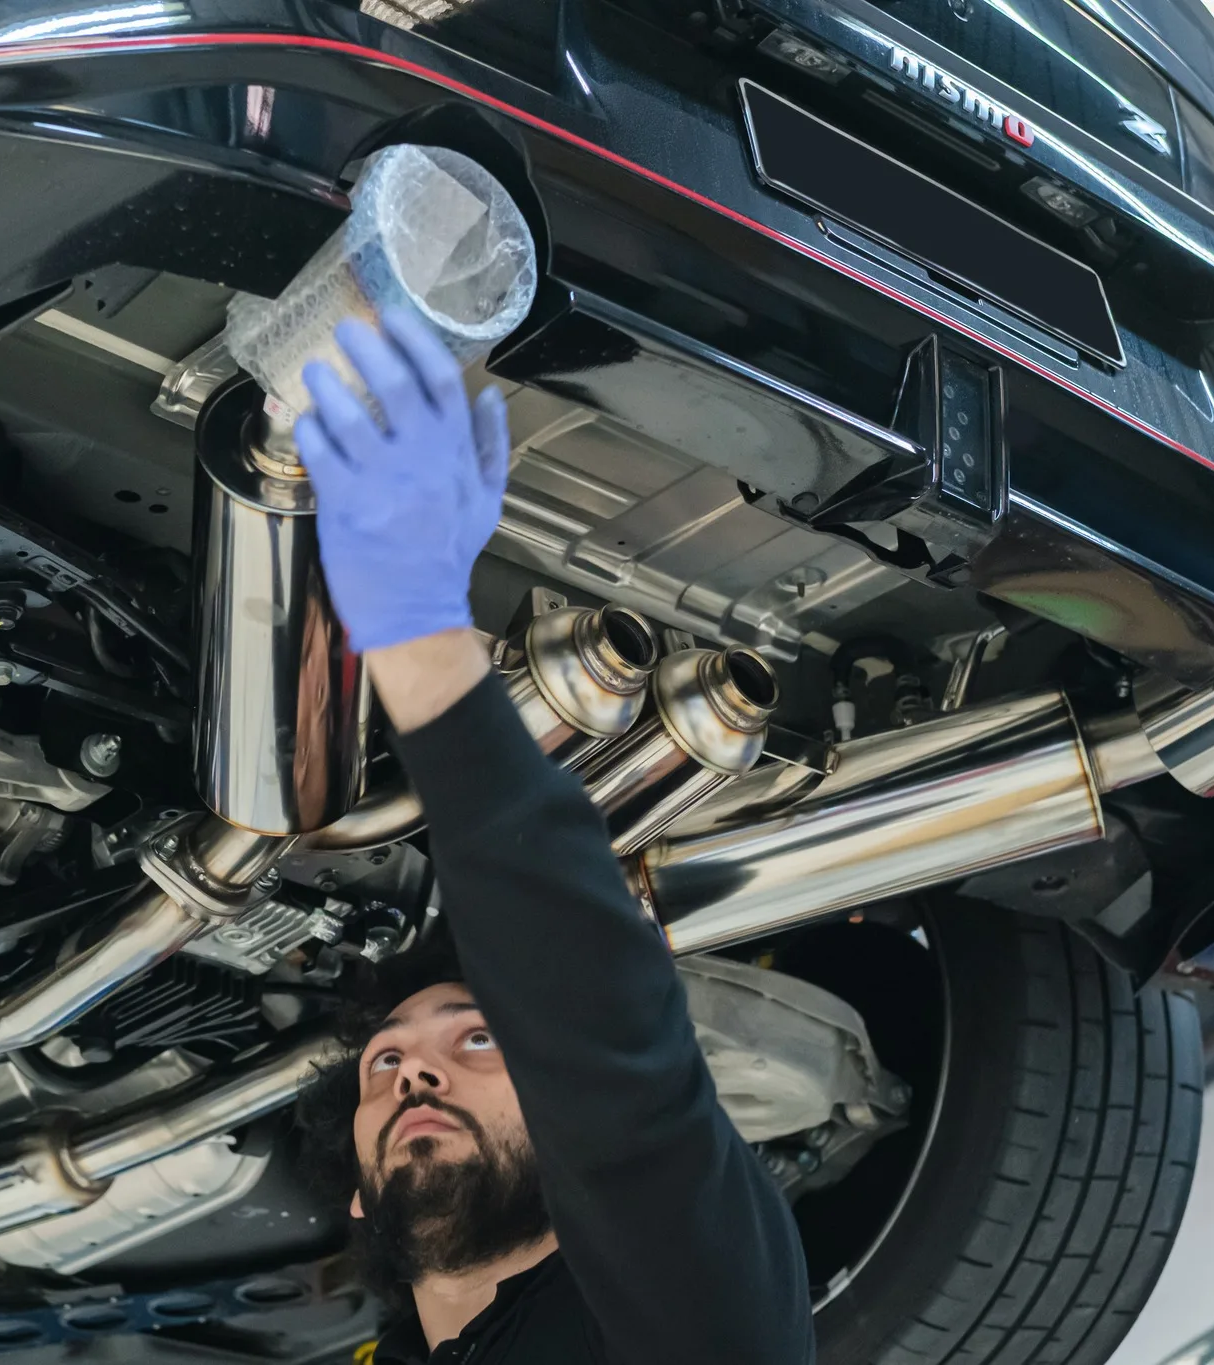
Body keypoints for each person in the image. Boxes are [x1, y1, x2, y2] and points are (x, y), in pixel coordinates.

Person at [285, 309, 817, 1365]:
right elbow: (621, 1100)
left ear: (353, 1196)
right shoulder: (696, 1327)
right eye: (476, 1041)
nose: (409, 1078)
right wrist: (418, 629)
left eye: (386, 1065)